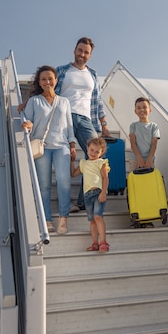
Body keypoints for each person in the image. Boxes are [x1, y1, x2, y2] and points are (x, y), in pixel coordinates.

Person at [55, 37, 111, 211]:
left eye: (86, 52)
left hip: (87, 119)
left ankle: (83, 200)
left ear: (90, 55)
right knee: (64, 159)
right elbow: (48, 92)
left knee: (95, 156)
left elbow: (98, 101)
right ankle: (65, 203)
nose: (82, 54)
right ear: (74, 50)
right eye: (80, 50)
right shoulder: (62, 70)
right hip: (64, 117)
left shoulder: (93, 75)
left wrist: (104, 124)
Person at [22, 65, 77, 235]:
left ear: (56, 79)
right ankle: (47, 219)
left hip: (62, 147)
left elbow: (69, 126)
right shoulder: (34, 101)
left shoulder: (64, 101)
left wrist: (72, 144)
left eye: (50, 78)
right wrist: (28, 124)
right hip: (42, 147)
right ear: (39, 82)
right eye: (43, 79)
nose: (47, 82)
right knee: (44, 186)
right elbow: (28, 120)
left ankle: (63, 218)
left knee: (64, 182)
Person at [70, 137, 111, 252]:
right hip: (87, 195)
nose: (93, 153)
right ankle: (95, 243)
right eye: (91, 150)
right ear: (87, 148)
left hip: (98, 193)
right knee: (92, 220)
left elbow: (105, 178)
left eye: (97, 151)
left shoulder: (101, 162)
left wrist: (104, 192)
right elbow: (73, 174)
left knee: (98, 216)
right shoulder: (83, 163)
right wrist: (72, 161)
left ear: (101, 153)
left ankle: (103, 242)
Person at [128, 97, 160, 172]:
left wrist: (149, 160)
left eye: (144, 107)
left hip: (149, 159)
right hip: (135, 159)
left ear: (150, 110)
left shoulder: (154, 126)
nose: (142, 110)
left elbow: (154, 144)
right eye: (139, 108)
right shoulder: (133, 126)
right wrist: (139, 159)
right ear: (135, 111)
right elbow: (133, 143)